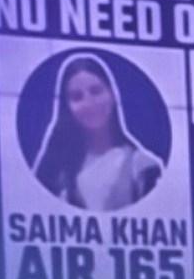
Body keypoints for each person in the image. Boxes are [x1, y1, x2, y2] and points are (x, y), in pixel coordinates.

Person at [28, 47, 164, 212]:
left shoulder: (141, 166)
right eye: (77, 97)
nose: (89, 103)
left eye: (96, 91)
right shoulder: (56, 171)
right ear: (66, 106)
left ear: (112, 95)